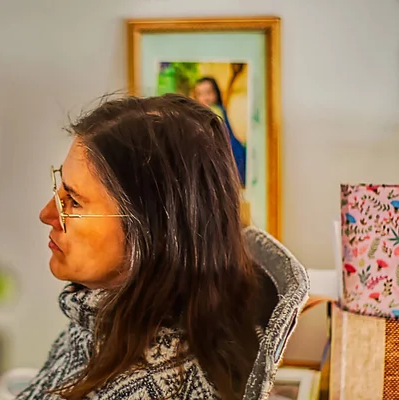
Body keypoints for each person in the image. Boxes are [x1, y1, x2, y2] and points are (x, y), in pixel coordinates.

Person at [16, 94, 305, 400]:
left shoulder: (157, 388)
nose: (47, 214)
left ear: (154, 233)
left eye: (73, 201)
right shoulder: (103, 316)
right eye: (59, 188)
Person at [194, 77, 247, 187]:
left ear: (216, 93)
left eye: (208, 93)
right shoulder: (199, 114)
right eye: (200, 94)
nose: (205, 98)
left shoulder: (216, 110)